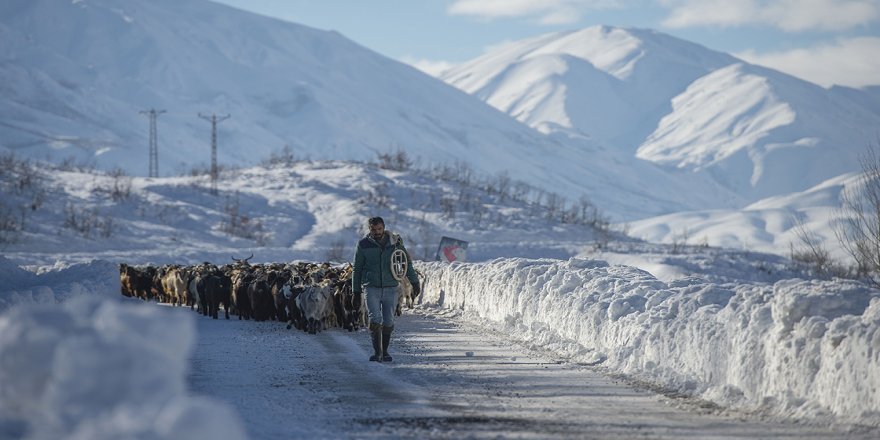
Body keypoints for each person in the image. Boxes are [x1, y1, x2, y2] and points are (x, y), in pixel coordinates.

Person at [352, 216, 420, 362]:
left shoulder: (395, 242)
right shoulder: (363, 244)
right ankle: (378, 352)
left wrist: (415, 282)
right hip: (371, 287)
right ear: (369, 229)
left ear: (384, 227)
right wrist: (356, 292)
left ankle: (386, 351)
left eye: (379, 229)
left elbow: (405, 262)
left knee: (388, 320)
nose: (377, 232)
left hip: (391, 287)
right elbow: (357, 269)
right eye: (373, 229)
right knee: (375, 319)